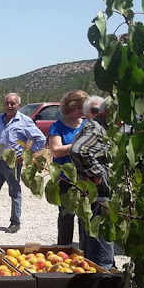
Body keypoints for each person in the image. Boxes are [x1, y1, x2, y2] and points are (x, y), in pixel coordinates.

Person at [0, 93, 46, 233]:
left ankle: (15, 222)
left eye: (13, 103)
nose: (9, 106)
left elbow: (40, 139)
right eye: (7, 103)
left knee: (14, 192)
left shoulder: (24, 121)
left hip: (12, 163)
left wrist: (27, 155)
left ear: (18, 105)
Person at [69, 98, 115, 269]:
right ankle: (101, 285)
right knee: (101, 249)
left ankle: (93, 284)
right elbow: (79, 150)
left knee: (92, 247)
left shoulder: (99, 127)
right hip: (99, 195)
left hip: (94, 195)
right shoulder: (96, 129)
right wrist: (96, 174)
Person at [49, 90, 88, 245]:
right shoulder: (57, 127)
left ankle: (87, 251)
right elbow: (56, 151)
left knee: (85, 215)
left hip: (85, 177)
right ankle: (64, 248)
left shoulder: (87, 125)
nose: (83, 112)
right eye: (81, 108)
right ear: (72, 107)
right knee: (67, 215)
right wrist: (77, 146)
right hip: (65, 178)